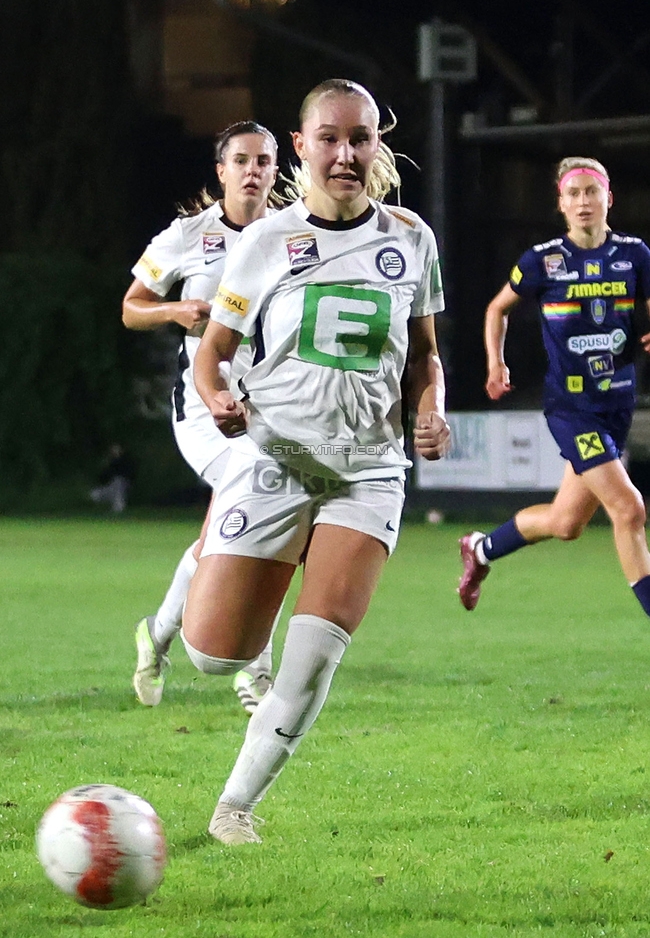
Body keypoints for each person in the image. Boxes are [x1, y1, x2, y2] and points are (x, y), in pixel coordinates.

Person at [185, 78, 450, 845]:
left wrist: (429, 407)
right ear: (299, 148)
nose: (345, 154)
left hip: (368, 468)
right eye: (329, 138)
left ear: (378, 146)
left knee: (314, 654)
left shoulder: (412, 238)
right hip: (274, 456)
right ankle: (232, 558)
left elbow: (426, 357)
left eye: (360, 138)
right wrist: (217, 399)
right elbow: (215, 357)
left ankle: (234, 806)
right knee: (211, 654)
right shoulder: (266, 241)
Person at [122, 121, 279, 711]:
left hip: (269, 415)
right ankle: (253, 673)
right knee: (264, 513)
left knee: (233, 534)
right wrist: (174, 311)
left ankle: (157, 634)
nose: (253, 170)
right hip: (203, 414)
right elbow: (131, 308)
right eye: (240, 160)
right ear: (221, 171)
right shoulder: (188, 236)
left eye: (263, 160)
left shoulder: (292, 235)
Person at [458, 156, 650, 617]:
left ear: (609, 198)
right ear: (561, 204)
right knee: (629, 510)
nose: (583, 201)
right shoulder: (544, 261)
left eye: (591, 191)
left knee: (566, 523)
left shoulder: (635, 255)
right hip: (572, 408)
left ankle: (481, 549)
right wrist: (495, 363)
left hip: (618, 403)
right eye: (573, 193)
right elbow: (496, 309)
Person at [89, 443, 135, 514]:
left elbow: (127, 475)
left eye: (116, 449)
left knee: (118, 482)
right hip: (110, 487)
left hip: (121, 486)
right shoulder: (109, 462)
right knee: (94, 494)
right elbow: (102, 478)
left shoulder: (126, 461)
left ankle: (118, 507)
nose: (114, 451)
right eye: (113, 449)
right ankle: (102, 507)